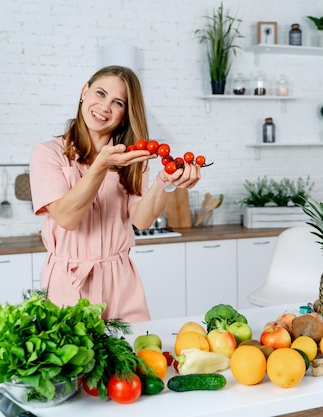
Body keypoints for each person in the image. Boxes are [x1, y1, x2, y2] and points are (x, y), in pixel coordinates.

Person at [29, 65, 202, 322]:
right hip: (67, 282)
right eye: (100, 93)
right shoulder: (47, 153)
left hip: (120, 280)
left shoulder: (132, 158)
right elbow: (66, 218)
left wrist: (165, 182)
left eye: (117, 102)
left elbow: (141, 220)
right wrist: (101, 165)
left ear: (125, 115)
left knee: (136, 357)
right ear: (84, 92)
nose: (105, 107)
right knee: (76, 361)